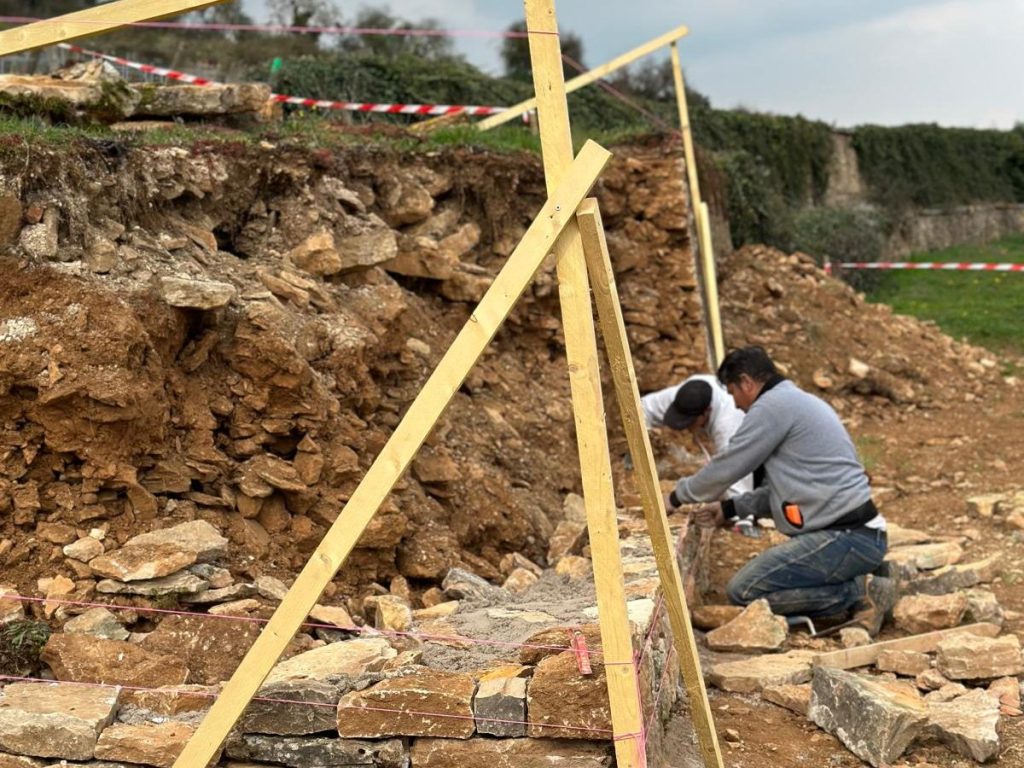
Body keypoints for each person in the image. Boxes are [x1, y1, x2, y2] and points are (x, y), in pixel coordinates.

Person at [663, 346, 895, 634]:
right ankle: (859, 581)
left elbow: (729, 465)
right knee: (751, 586)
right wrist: (730, 509)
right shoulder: (793, 401)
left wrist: (675, 497)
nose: (735, 404)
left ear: (747, 382)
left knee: (744, 591)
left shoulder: (773, 406)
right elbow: (786, 493)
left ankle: (857, 591)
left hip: (845, 536)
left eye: (733, 391)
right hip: (854, 534)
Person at [641, 375, 753, 499]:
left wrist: (735, 514)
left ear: (707, 412)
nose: (687, 428)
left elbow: (736, 480)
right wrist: (643, 445)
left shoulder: (727, 425)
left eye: (690, 422)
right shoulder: (686, 395)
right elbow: (643, 408)